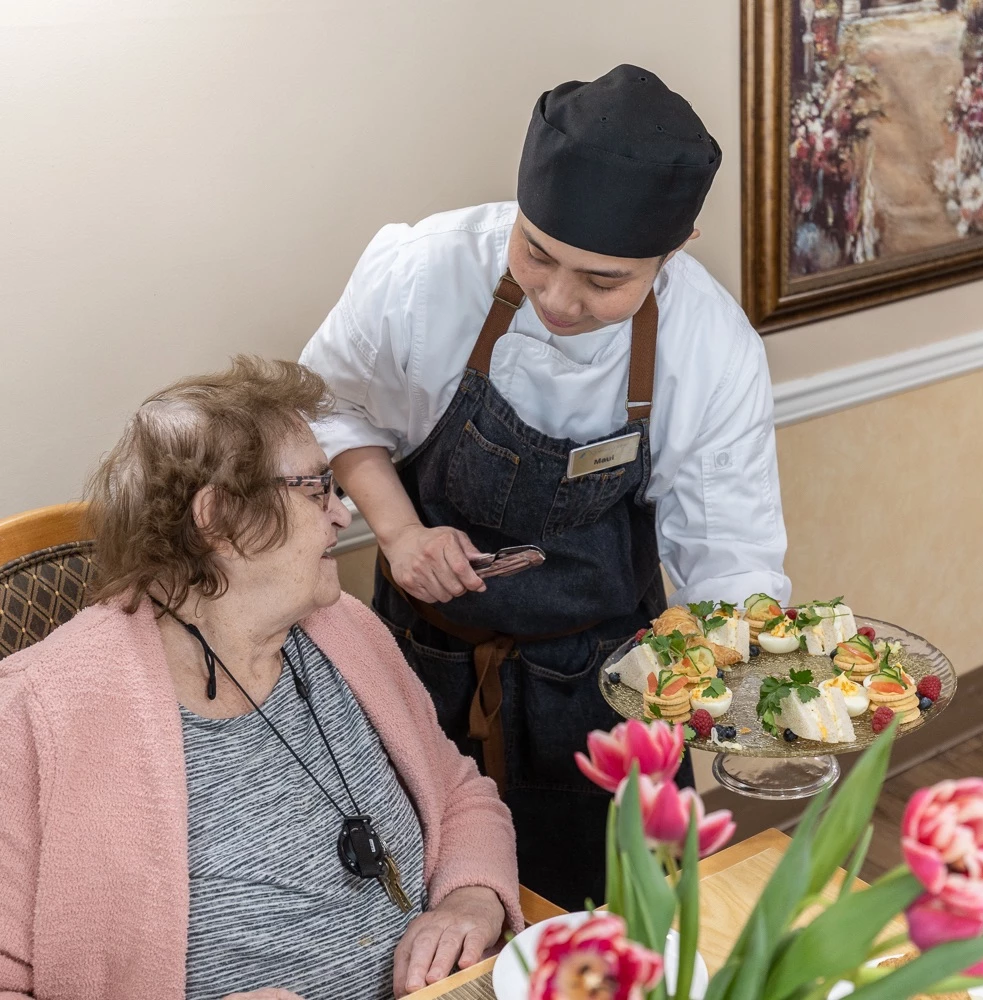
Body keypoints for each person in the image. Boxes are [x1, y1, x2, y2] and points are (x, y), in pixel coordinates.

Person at [300, 64, 791, 909]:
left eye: (605, 282)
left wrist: (746, 709)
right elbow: (333, 406)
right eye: (537, 253)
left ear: (675, 250)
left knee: (607, 917)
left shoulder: (710, 348)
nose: (559, 299)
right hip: (423, 664)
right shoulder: (427, 272)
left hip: (608, 685)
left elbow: (729, 557)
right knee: (421, 913)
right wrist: (399, 533)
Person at [0, 357, 522, 1000]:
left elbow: (458, 791)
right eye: (317, 488)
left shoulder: (342, 628)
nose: (341, 513)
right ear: (219, 519)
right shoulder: (38, 713)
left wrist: (471, 900)